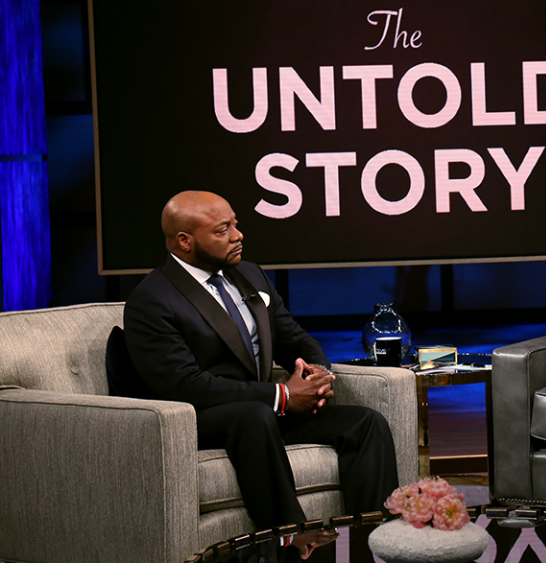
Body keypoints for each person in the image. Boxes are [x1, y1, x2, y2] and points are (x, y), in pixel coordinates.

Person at [123, 190, 399, 530]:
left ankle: (375, 540)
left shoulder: (250, 274)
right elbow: (184, 385)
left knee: (366, 423)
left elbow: (293, 338)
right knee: (254, 416)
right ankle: (290, 536)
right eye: (223, 230)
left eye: (235, 225)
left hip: (263, 410)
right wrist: (282, 396)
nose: (238, 236)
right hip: (201, 417)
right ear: (184, 241)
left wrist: (316, 374)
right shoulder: (152, 300)